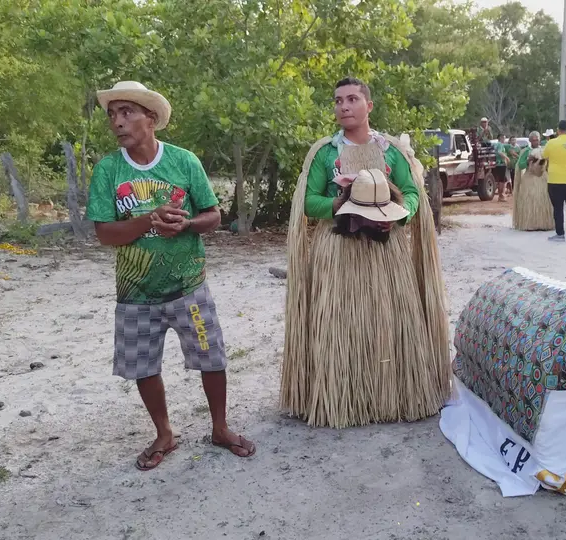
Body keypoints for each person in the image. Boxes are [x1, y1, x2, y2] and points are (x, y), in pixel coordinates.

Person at [86, 81, 255, 470]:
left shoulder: (183, 162)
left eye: (127, 112)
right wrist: (147, 219)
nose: (118, 121)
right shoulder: (108, 171)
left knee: (211, 356)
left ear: (151, 118)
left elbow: (213, 216)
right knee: (144, 366)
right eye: (112, 114)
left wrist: (186, 224)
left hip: (188, 285)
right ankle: (164, 432)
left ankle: (220, 427)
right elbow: (104, 233)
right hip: (135, 291)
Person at [281, 77, 450, 429]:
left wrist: (400, 212)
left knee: (390, 321)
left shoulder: (391, 151)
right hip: (338, 252)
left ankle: (394, 397)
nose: (344, 106)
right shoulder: (325, 152)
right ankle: (344, 401)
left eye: (353, 99)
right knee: (341, 325)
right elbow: (310, 202)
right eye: (338, 100)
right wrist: (340, 204)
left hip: (387, 254)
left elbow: (411, 192)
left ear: (368, 106)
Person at [492, 134, 510, 201]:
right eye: (503, 138)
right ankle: (501, 196)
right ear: (500, 138)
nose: (504, 140)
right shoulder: (500, 145)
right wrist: (506, 158)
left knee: (503, 180)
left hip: (498, 164)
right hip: (501, 164)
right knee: (501, 181)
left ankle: (502, 194)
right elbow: (499, 152)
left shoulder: (496, 144)